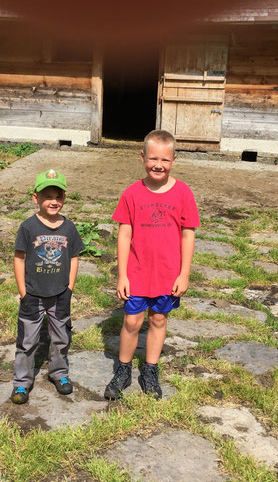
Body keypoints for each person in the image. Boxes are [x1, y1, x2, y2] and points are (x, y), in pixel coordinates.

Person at [104, 130, 199, 399]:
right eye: (153, 158)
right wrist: (122, 275)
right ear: (142, 157)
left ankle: (150, 370)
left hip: (167, 275)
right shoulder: (132, 193)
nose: (158, 165)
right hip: (136, 273)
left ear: (174, 160)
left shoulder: (183, 193)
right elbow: (124, 235)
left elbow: (188, 234)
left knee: (158, 320)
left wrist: (184, 274)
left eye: (165, 160)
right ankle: (123, 370)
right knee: (132, 322)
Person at [11, 169, 84, 404]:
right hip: (32, 293)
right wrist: (23, 291)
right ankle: (22, 382)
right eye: (47, 196)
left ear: (64, 198)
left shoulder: (69, 228)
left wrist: (69, 287)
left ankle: (59, 373)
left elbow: (74, 257)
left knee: (61, 336)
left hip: (60, 293)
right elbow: (19, 258)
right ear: (36, 198)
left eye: (58, 196)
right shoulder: (28, 227)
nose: (53, 201)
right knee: (27, 340)